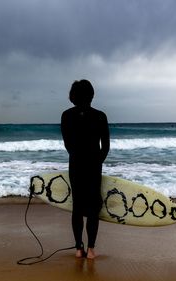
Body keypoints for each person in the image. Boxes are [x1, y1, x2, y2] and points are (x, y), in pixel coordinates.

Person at [61, 79, 110, 259]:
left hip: (76, 165)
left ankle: (78, 248)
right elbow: (105, 146)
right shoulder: (100, 116)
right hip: (93, 166)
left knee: (77, 206)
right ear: (91, 95)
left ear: (73, 96)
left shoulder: (66, 115)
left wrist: (77, 157)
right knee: (93, 208)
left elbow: (68, 144)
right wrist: (97, 162)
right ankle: (91, 249)